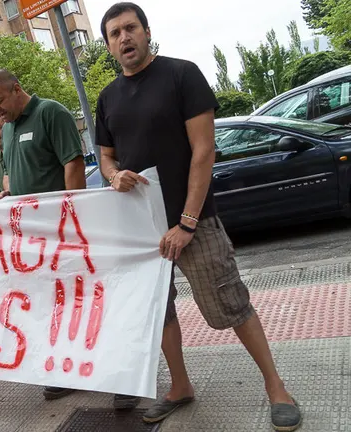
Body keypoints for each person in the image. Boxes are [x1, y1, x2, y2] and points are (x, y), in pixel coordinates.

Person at [95, 3, 301, 431]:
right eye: (114, 33)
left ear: (147, 31)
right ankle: (180, 387)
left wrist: (187, 222)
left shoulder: (181, 74)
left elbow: (204, 151)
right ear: (109, 45)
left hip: (194, 221)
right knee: (160, 311)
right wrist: (114, 176)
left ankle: (276, 386)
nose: (124, 38)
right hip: (142, 230)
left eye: (130, 28)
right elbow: (106, 156)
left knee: (231, 301)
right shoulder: (107, 97)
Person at [0, 69, 85, 400]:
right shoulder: (9, 128)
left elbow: (73, 164)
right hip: (31, 241)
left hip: (61, 233)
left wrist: (74, 221)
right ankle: (64, 369)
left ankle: (100, 368)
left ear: (17, 89)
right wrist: (8, 192)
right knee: (48, 305)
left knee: (78, 302)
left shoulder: (50, 113)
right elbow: (13, 169)